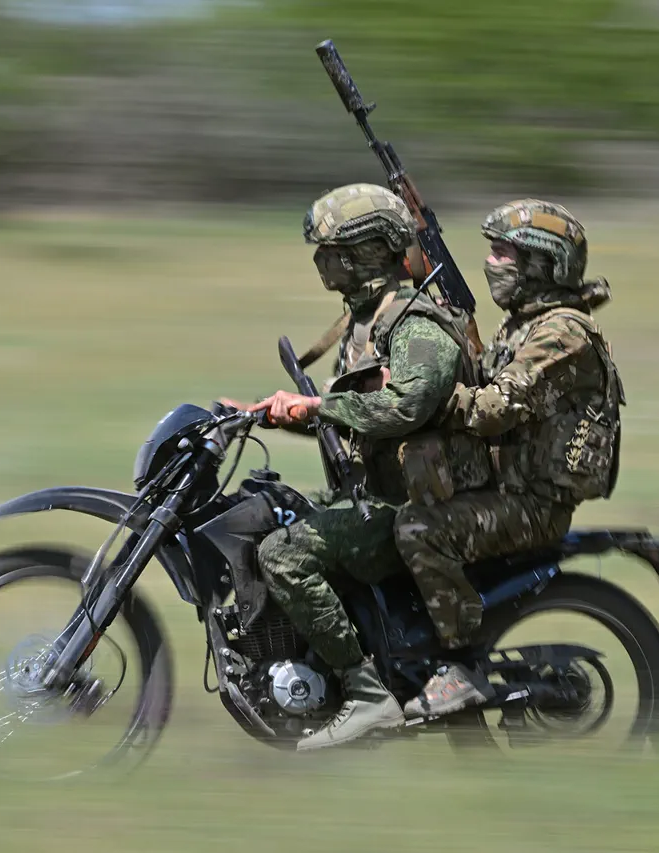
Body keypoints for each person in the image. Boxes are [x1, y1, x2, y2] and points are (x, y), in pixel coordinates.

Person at [235, 183, 491, 750]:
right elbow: (351, 415)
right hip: (377, 495)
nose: (321, 261)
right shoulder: (365, 322)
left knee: (284, 554)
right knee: (268, 514)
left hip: (416, 508)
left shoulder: (416, 324)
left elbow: (405, 406)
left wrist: (316, 406)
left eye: (332, 249)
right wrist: (266, 415)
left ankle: (366, 692)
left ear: (367, 252)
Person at [399, 198, 624, 719]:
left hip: (532, 505)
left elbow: (494, 409)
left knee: (418, 530)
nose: (491, 262)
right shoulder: (520, 326)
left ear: (544, 264)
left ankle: (462, 667)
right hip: (502, 489)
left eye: (504, 253)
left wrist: (424, 397)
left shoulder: (562, 333)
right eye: (492, 251)